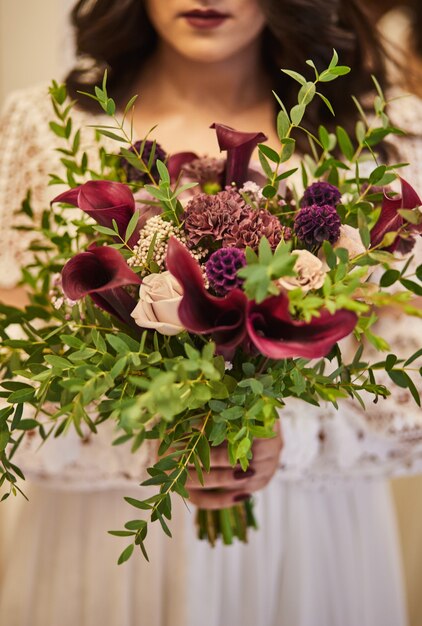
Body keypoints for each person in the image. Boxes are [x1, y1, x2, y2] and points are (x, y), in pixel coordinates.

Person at [0, 1, 421, 625]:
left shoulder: (382, 131)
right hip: (105, 540)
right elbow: (16, 349)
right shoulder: (44, 122)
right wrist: (155, 435)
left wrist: (289, 436)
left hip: (307, 542)